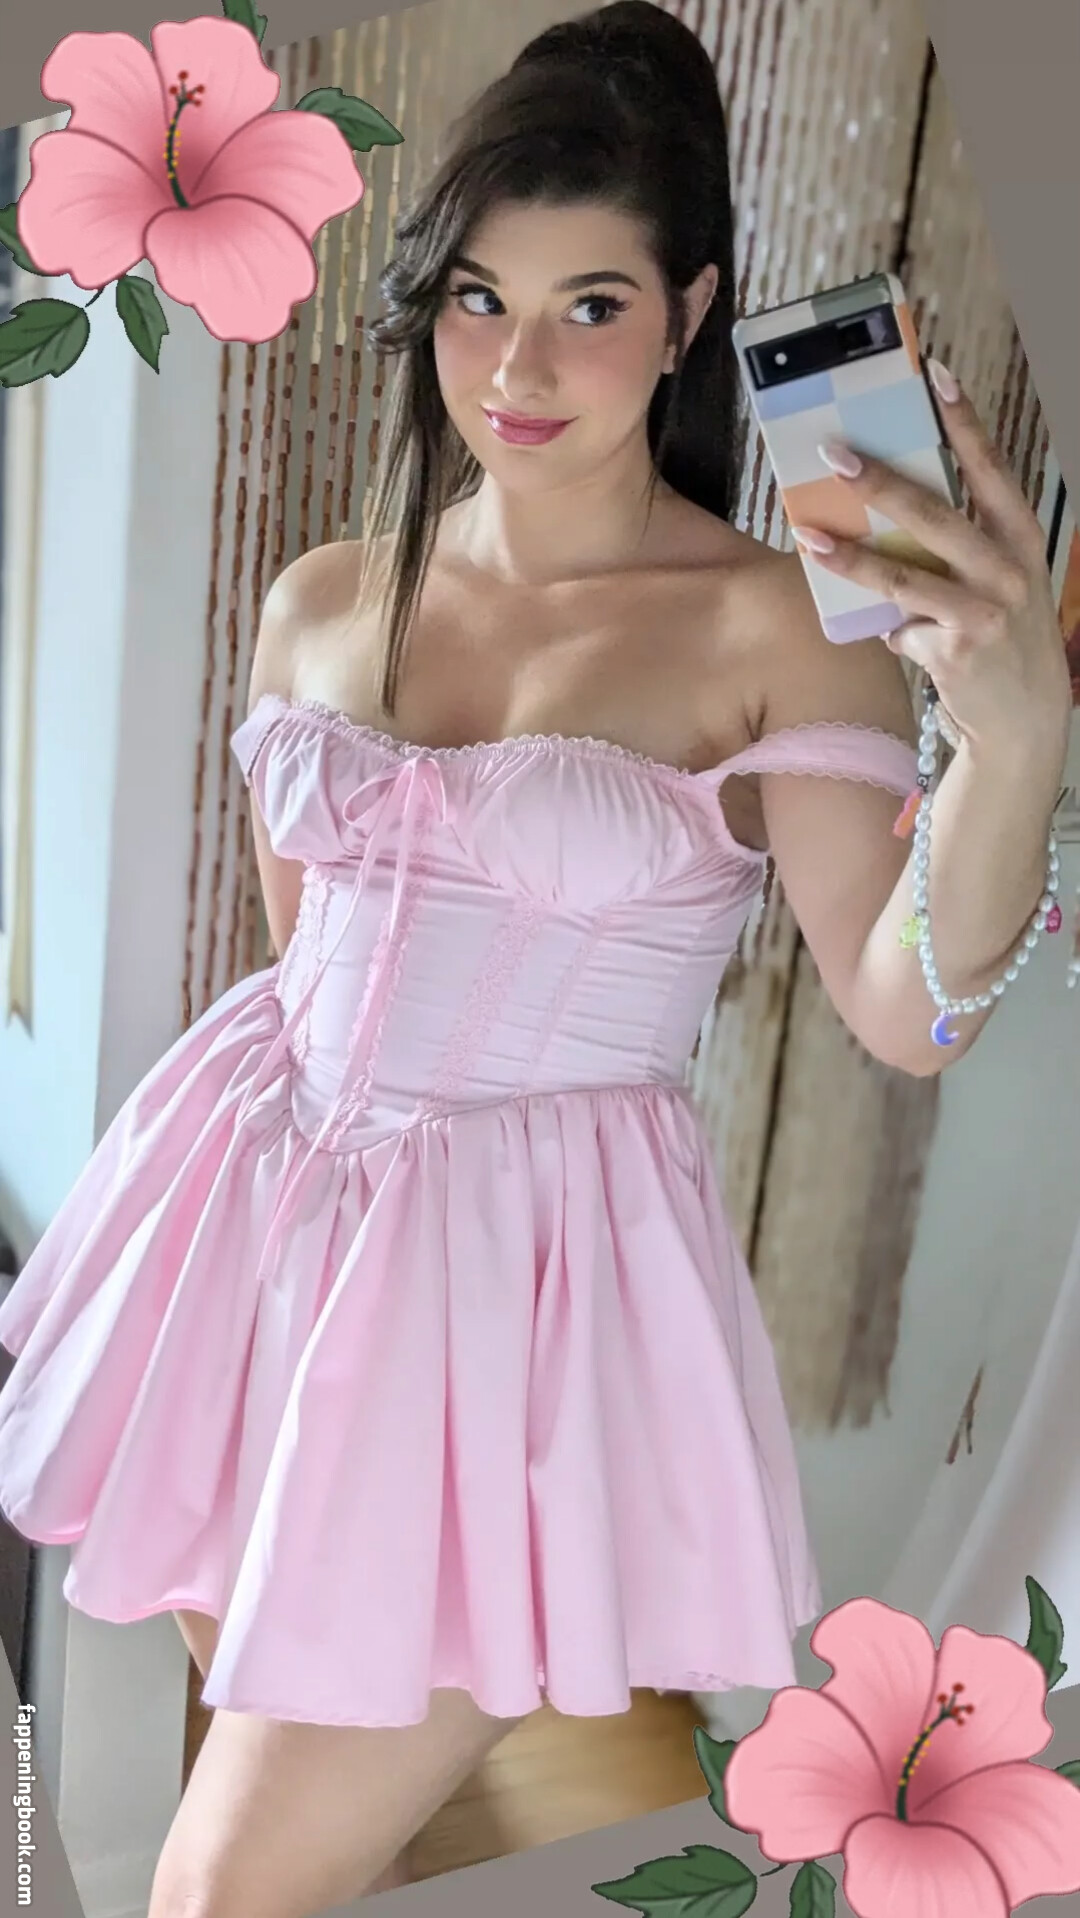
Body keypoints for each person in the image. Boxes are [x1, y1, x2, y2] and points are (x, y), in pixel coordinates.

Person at [0, 5, 1070, 1913]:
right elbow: (304, 963)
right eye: (482, 297)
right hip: (245, 1259)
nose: (518, 363)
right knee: (294, 1814)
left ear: (690, 312)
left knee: (213, 1888)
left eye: (592, 303)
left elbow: (906, 1008)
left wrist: (1012, 745)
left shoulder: (771, 627)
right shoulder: (325, 594)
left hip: (500, 1338)